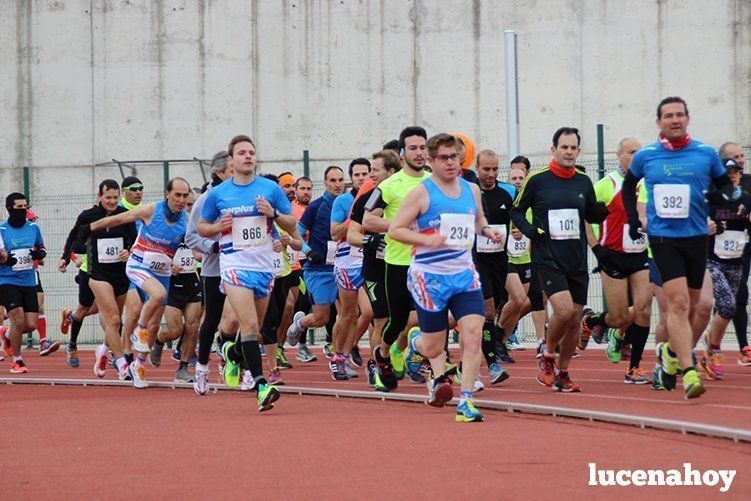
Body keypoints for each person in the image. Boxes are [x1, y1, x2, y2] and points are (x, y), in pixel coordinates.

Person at [622, 96, 734, 399]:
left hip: (697, 238)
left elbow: (726, 190)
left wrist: (719, 218)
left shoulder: (705, 154)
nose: (674, 120)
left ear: (687, 118)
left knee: (696, 307)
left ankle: (671, 352)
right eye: (668, 115)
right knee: (679, 304)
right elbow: (628, 186)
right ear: (659, 122)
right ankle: (688, 371)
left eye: (679, 115)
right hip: (663, 239)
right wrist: (634, 218)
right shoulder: (646, 156)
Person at [389, 133, 503, 422]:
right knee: (434, 346)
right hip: (429, 278)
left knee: (474, 333)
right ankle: (416, 342)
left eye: (454, 156)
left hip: (464, 275)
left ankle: (465, 401)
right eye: (443, 158)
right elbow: (396, 230)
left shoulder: (471, 189)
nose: (451, 162)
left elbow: (477, 222)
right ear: (431, 161)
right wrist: (426, 240)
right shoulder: (421, 193)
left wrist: (488, 231)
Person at [198, 134, 299, 412]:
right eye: (242, 153)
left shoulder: (270, 189)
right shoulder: (218, 194)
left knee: (250, 328)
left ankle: (230, 350)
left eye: (251, 152)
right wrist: (220, 227)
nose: (248, 157)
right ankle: (261, 385)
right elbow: (202, 227)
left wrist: (273, 214)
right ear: (231, 160)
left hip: (264, 266)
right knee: (251, 325)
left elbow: (292, 224)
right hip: (233, 264)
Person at [511, 127, 609, 392]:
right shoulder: (538, 180)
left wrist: (602, 212)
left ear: (578, 151)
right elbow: (517, 210)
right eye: (563, 147)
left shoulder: (583, 181)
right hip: (547, 258)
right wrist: (531, 231)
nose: (569, 152)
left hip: (576, 259)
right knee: (564, 311)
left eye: (573, 148)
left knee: (575, 319)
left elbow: (589, 214)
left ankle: (563, 372)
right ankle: (547, 353)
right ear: (553, 150)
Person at [79, 177, 190, 389]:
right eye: (177, 195)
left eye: (185, 196)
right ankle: (132, 341)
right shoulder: (149, 210)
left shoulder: (186, 220)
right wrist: (89, 227)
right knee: (150, 301)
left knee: (155, 323)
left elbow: (197, 243)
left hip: (162, 272)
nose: (181, 199)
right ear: (167, 194)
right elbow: (117, 220)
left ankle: (138, 366)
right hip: (138, 266)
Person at [362, 126, 430, 391]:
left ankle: (437, 373)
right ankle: (384, 354)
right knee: (397, 321)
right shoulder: (389, 185)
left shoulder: (436, 181)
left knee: (435, 318)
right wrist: (399, 225)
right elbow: (368, 220)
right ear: (402, 154)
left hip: (429, 263)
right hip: (399, 263)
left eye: (423, 147)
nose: (419, 152)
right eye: (413, 148)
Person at [582, 137, 653, 384]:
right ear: (619, 155)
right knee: (620, 317)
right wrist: (595, 248)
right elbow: (585, 218)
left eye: (639, 152)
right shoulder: (606, 185)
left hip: (640, 256)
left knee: (644, 309)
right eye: (631, 152)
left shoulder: (647, 184)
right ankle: (590, 321)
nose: (637, 156)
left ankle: (634, 368)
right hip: (612, 256)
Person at [67, 180, 137, 380]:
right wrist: (71, 256)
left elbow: (134, 240)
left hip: (120, 273)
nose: (113, 201)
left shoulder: (125, 215)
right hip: (98, 274)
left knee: (115, 322)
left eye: (116, 197)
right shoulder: (89, 216)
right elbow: (76, 240)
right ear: (100, 196)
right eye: (108, 197)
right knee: (113, 319)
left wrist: (128, 251)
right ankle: (122, 364)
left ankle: (104, 350)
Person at [285, 166, 345, 377]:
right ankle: (300, 322)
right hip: (319, 269)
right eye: (333, 180)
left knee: (348, 315)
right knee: (321, 318)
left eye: (340, 180)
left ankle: (339, 358)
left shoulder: (348, 204)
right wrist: (308, 251)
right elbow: (297, 233)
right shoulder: (316, 207)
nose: (337, 184)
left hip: (343, 266)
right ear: (326, 183)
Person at [349, 149, 401, 388]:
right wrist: (369, 239)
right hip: (375, 267)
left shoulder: (409, 195)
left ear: (391, 172)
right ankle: (377, 365)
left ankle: (400, 354)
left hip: (403, 264)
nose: (370, 175)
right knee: (380, 318)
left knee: (407, 319)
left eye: (375, 170)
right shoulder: (366, 199)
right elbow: (351, 234)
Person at [186, 151, 236, 394]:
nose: (235, 173)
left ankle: (242, 366)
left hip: (241, 267)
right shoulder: (205, 200)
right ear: (219, 173)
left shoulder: (242, 195)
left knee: (244, 320)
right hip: (214, 269)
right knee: (212, 320)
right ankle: (202, 368)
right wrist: (213, 246)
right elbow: (191, 237)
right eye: (230, 169)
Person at [699, 158, 751, 380]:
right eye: (727, 172)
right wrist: (709, 227)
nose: (732, 176)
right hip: (713, 262)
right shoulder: (711, 199)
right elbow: (697, 225)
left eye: (735, 172)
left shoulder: (747, 199)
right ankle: (715, 351)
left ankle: (709, 349)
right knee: (728, 305)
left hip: (736, 262)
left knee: (726, 310)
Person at [473, 149, 516, 384]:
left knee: (492, 311)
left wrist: (518, 232)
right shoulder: (471, 195)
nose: (490, 174)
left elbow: (513, 224)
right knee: (488, 311)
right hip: (477, 261)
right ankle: (492, 365)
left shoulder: (504, 196)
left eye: (495, 169)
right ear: (477, 168)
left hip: (500, 260)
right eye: (486, 169)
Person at [151, 191, 204, 383]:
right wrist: (167, 264)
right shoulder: (168, 226)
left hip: (192, 281)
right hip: (172, 283)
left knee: (193, 327)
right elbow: (154, 251)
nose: (190, 208)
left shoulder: (197, 227)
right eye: (187, 205)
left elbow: (199, 252)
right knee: (175, 331)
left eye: (193, 205)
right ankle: (158, 341)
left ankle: (182, 369)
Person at [329, 158, 373, 379]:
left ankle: (352, 349)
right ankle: (338, 357)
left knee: (369, 312)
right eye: (357, 175)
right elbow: (335, 233)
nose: (361, 178)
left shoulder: (376, 197)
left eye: (365, 174)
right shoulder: (342, 201)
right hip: (347, 262)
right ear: (351, 178)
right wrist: (354, 218)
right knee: (347, 315)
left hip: (368, 262)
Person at [0, 193, 46, 373]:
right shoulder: (2, 230)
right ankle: (17, 361)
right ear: (9, 208)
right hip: (7, 281)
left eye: (25, 207)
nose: (23, 210)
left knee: (30, 325)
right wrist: (4, 261)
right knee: (17, 320)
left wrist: (39, 255)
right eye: (19, 207)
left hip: (28, 281)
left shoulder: (33, 228)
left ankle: (6, 334)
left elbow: (42, 248)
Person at [719, 142, 751, 366]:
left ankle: (742, 347)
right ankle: (739, 347)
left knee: (738, 296)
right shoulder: (716, 187)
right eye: (735, 157)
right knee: (730, 298)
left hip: (744, 245)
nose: (740, 160)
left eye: (741, 156)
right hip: (720, 250)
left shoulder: (749, 182)